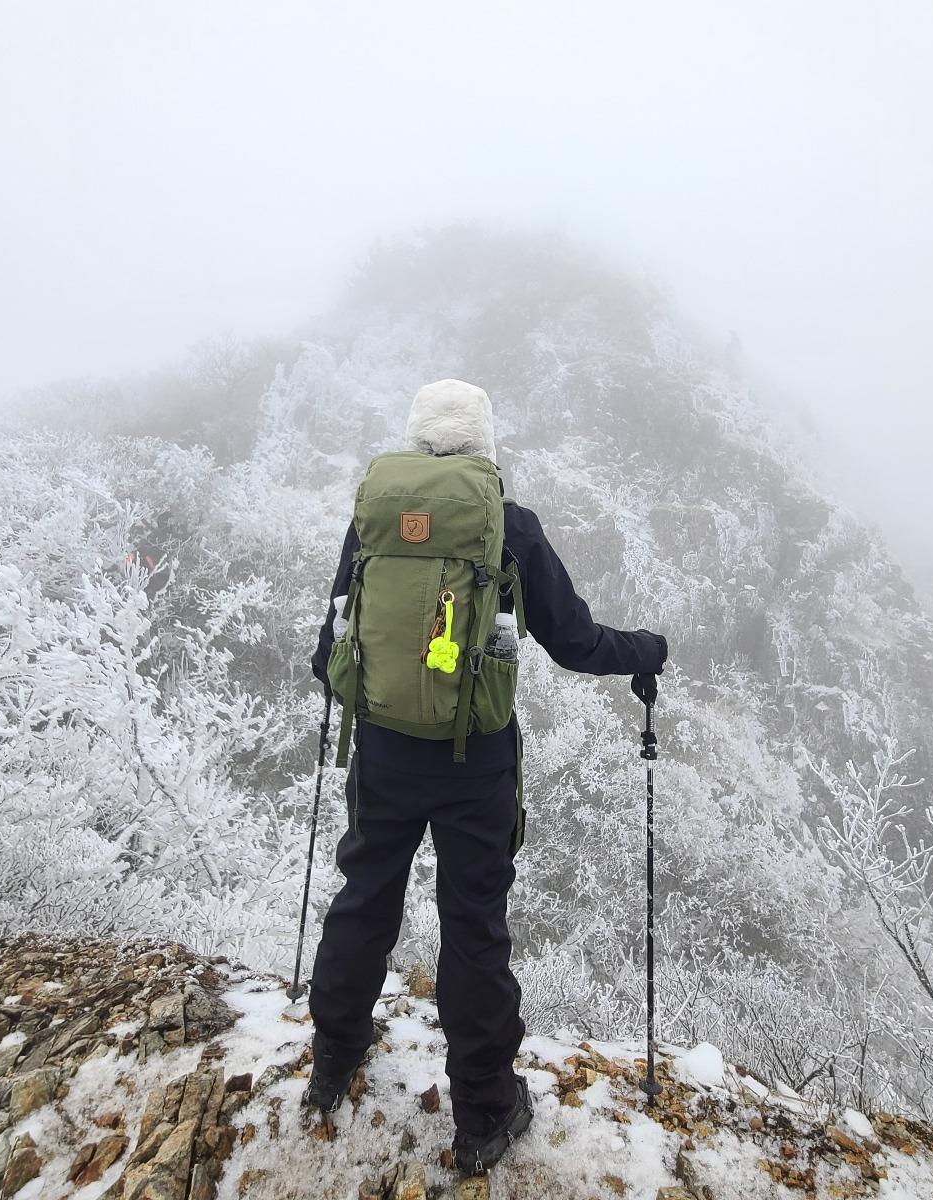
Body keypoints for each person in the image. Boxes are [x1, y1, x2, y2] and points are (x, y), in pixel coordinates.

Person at [305, 379, 668, 1173]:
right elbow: (573, 642)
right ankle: (483, 1112)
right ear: (483, 444)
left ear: (416, 439)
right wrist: (645, 652)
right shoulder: (509, 524)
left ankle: (332, 1060)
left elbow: (330, 638)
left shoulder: (374, 515)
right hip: (477, 759)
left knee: (365, 895)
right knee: (473, 926)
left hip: (385, 748)